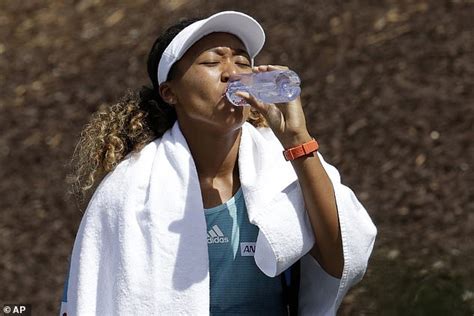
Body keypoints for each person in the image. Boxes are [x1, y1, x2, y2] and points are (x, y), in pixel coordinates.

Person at [60, 11, 377, 316]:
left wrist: (297, 140)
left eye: (242, 62)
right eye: (212, 61)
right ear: (170, 93)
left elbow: (342, 260)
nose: (232, 72)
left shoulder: (281, 167)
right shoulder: (129, 191)